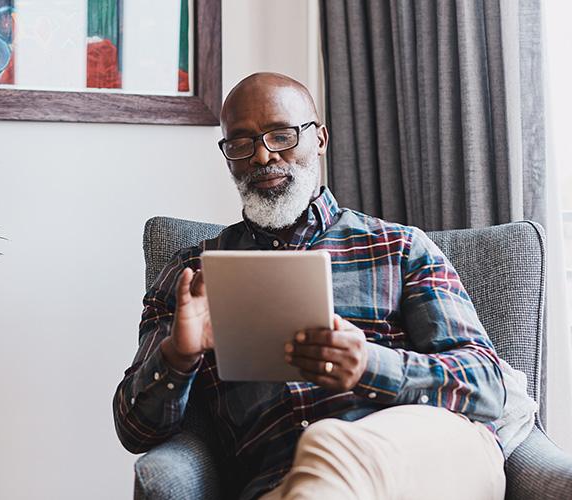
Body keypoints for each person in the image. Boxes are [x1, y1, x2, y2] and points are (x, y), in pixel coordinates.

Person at [113, 72, 529, 499]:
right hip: (286, 483)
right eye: (241, 143)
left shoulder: (399, 246)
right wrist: (178, 356)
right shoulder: (193, 275)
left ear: (320, 139)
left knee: (326, 444)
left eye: (282, 135)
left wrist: (371, 365)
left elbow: (486, 386)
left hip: (425, 460)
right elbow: (134, 430)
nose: (261, 156)